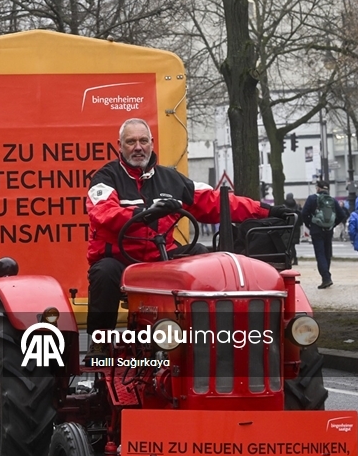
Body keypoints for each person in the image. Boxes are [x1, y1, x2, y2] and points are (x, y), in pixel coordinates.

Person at [86, 118, 284, 343]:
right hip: (121, 259)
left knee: (202, 258)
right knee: (104, 272)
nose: (138, 147)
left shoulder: (172, 180)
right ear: (119, 146)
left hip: (161, 257)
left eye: (143, 141)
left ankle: (209, 336)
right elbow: (104, 213)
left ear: (152, 143)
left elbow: (215, 202)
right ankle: (99, 342)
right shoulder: (105, 179)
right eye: (131, 142)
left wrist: (268, 211)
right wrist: (148, 212)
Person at [301, 181, 348, 289]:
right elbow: (342, 215)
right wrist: (333, 224)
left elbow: (304, 213)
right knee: (327, 254)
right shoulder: (332, 200)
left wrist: (310, 224)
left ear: (318, 188)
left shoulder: (312, 199)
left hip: (316, 230)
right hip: (328, 230)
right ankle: (327, 276)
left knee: (320, 254)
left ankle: (326, 278)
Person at [283, 192, 301, 265]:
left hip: (287, 227)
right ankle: (295, 259)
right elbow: (300, 218)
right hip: (295, 227)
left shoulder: (284, 206)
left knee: (288, 246)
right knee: (293, 246)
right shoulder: (297, 206)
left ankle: (289, 260)